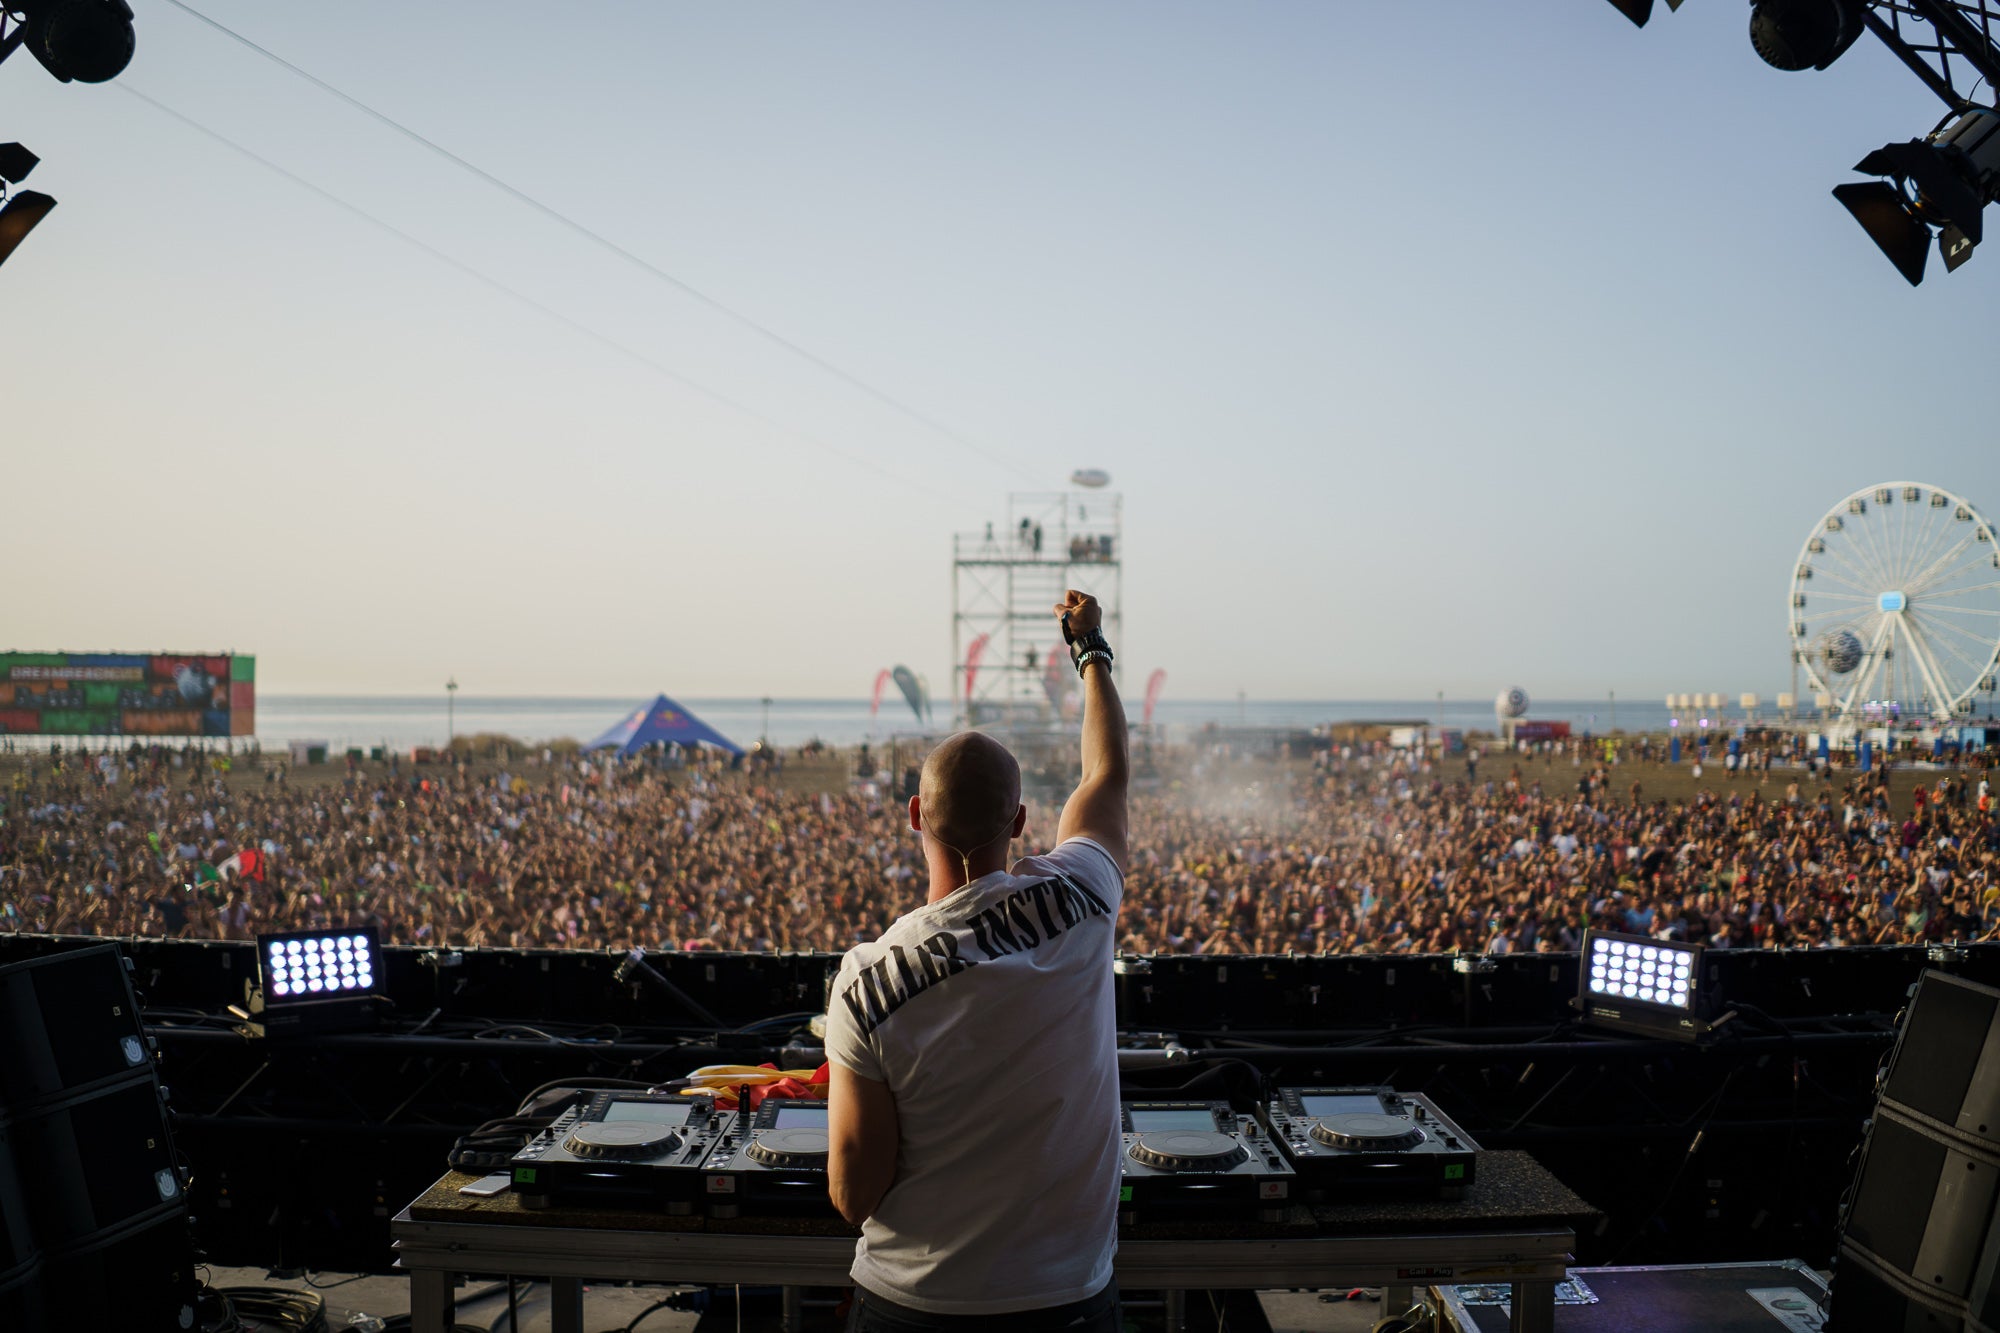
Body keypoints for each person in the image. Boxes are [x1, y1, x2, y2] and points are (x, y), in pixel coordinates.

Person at [826, 588, 1127, 1330]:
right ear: (1020, 821)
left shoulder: (865, 983)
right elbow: (1105, 777)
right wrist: (1088, 649)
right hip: (1067, 1300)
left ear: (914, 815)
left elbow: (854, 1196)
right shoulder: (1085, 892)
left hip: (913, 1303)